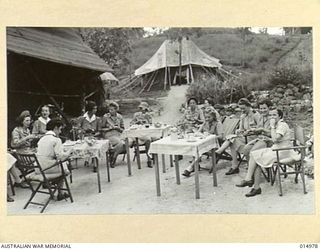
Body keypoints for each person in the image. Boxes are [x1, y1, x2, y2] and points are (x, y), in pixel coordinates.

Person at [236, 109, 300, 197]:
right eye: (270, 115)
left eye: (274, 115)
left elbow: (275, 139)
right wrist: (268, 138)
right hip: (278, 149)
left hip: (283, 152)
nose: (272, 117)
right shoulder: (278, 124)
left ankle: (253, 184)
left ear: (280, 116)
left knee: (256, 157)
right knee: (254, 155)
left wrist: (272, 127)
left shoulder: (282, 125)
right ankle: (252, 183)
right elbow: (278, 139)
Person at [215, 98, 261, 175]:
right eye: (241, 109)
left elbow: (260, 129)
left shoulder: (256, 115)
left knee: (232, 140)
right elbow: (241, 129)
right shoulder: (243, 116)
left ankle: (221, 152)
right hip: (245, 138)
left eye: (244, 108)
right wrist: (239, 131)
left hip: (254, 139)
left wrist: (250, 131)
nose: (242, 110)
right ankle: (234, 166)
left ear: (249, 106)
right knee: (232, 140)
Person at [36, 118, 73, 201]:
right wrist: (70, 151)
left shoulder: (41, 139)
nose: (60, 132)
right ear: (56, 128)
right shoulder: (56, 139)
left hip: (38, 168)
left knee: (61, 164)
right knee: (65, 166)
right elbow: (61, 157)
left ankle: (56, 186)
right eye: (60, 129)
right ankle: (60, 192)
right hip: (48, 169)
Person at [182, 107, 224, 177]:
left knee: (198, 149)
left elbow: (221, 137)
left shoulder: (218, 124)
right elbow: (198, 132)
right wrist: (198, 133)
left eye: (209, 117)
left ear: (213, 116)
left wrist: (211, 136)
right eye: (206, 117)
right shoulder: (205, 122)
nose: (207, 119)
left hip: (214, 145)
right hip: (206, 143)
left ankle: (190, 167)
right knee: (196, 146)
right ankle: (194, 166)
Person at [10, 110, 38, 189]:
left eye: (29, 120)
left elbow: (27, 144)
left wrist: (32, 140)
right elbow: (14, 144)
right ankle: (44, 178)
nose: (28, 122)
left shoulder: (27, 130)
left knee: (41, 152)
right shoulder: (16, 130)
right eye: (26, 120)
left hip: (27, 152)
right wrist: (26, 138)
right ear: (22, 121)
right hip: (22, 155)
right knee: (41, 157)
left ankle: (42, 176)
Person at [100, 101, 125, 168]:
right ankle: (113, 159)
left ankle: (112, 153)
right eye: (109, 110)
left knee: (126, 143)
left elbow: (123, 129)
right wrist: (109, 128)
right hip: (109, 135)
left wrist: (118, 128)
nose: (110, 111)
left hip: (118, 135)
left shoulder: (120, 117)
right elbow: (101, 129)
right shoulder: (105, 117)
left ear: (116, 110)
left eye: (112, 110)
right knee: (122, 144)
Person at [130, 102, 153, 168]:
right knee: (148, 139)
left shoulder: (148, 115)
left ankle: (149, 159)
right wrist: (136, 122)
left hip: (146, 133)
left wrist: (146, 121)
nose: (141, 110)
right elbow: (131, 124)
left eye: (143, 108)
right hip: (138, 133)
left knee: (149, 139)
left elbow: (151, 125)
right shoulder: (136, 115)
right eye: (140, 108)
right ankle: (149, 158)